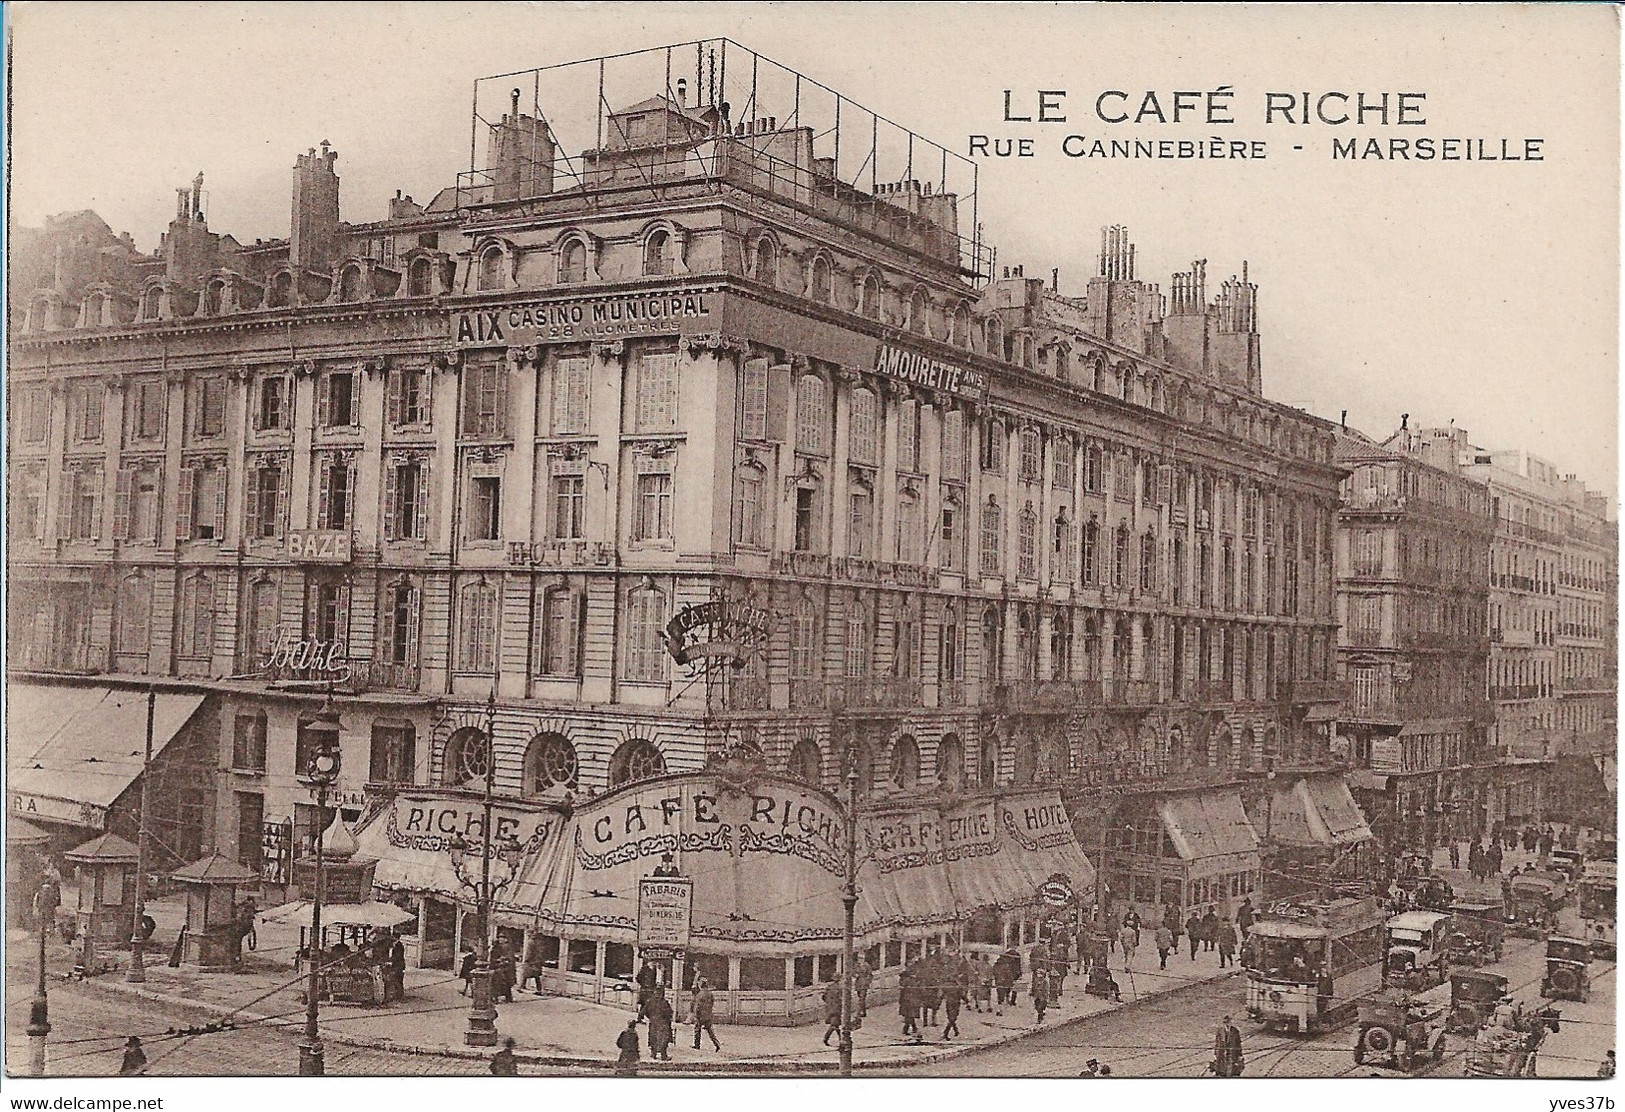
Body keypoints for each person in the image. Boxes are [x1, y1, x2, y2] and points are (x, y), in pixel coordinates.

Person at [690, 976, 721, 1051]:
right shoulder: (709, 993)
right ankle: (716, 1044)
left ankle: (697, 1045)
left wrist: (695, 1014)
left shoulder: (700, 994)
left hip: (700, 1015)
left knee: (697, 1030)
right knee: (710, 1030)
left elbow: (697, 1006)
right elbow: (712, 1003)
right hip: (708, 1014)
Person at [647, 988, 674, 1061]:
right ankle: (663, 1055)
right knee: (663, 1039)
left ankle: (653, 1054)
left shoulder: (650, 1001)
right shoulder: (664, 1002)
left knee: (653, 1037)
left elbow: (645, 1011)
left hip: (653, 1022)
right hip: (663, 1023)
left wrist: (651, 1017)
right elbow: (669, 1012)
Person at [993, 947, 1020, 1013]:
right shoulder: (1014, 958)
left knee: (1000, 993)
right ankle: (1010, 1001)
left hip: (1000, 980)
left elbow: (994, 971)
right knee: (1011, 988)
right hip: (1008, 978)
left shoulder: (999, 962)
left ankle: (1001, 1005)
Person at [942, 964, 963, 1040]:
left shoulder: (946, 985)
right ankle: (946, 1032)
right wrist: (966, 1001)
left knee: (951, 1017)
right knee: (953, 1017)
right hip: (955, 1002)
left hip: (948, 1002)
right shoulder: (957, 986)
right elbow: (962, 994)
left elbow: (942, 993)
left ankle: (956, 1030)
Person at [821, 976, 844, 1046]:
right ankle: (826, 1038)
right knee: (834, 1025)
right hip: (836, 1008)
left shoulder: (829, 987)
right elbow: (842, 998)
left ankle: (841, 1039)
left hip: (829, 1007)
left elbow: (823, 997)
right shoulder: (839, 988)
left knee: (835, 1024)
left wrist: (828, 1003)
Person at [387, 934, 407, 1003]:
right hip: (398, 965)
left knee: (398, 979)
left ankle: (399, 995)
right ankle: (398, 994)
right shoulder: (396, 945)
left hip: (399, 965)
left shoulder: (399, 946)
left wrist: (390, 960)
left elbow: (397, 956)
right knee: (397, 979)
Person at [854, 952, 874, 1018]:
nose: (860, 960)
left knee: (861, 998)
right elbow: (853, 972)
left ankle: (858, 1013)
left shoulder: (867, 965)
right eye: (859, 958)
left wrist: (868, 982)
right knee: (861, 998)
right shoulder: (856, 965)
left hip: (864, 984)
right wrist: (855, 975)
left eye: (861, 958)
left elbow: (870, 975)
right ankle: (864, 1011)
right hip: (858, 983)